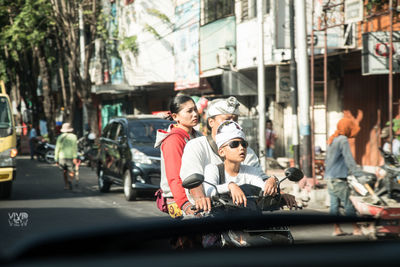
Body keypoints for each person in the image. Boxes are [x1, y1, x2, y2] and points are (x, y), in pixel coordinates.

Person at [180, 96, 278, 212]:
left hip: (244, 211)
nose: (231, 124)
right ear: (211, 122)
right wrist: (202, 199)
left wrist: (274, 182)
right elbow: (194, 181)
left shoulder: (247, 153)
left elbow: (261, 181)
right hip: (207, 211)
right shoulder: (196, 146)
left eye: (235, 120)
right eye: (227, 119)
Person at [203, 120, 297, 208]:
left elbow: (263, 189)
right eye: (234, 144)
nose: (241, 148)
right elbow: (209, 191)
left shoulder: (251, 171)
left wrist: (273, 180)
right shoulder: (213, 169)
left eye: (244, 144)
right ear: (221, 152)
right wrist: (230, 186)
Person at [154, 95, 202, 218]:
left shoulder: (198, 135)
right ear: (175, 117)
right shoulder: (173, 140)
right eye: (189, 111)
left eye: (195, 109)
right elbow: (174, 177)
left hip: (198, 195)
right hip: (179, 199)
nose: (195, 114)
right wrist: (185, 204)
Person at [324, 117, 362, 236]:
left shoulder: (333, 139)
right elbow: (349, 159)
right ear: (348, 128)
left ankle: (336, 229)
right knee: (348, 204)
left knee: (334, 205)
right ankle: (356, 229)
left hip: (330, 177)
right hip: (339, 178)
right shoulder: (343, 140)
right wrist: (359, 174)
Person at [55, 123, 78, 190]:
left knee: (64, 171)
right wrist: (75, 157)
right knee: (71, 171)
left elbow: (57, 148)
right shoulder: (74, 137)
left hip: (61, 157)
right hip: (71, 157)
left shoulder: (60, 137)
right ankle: (70, 181)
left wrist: (56, 159)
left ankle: (66, 185)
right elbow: (75, 148)